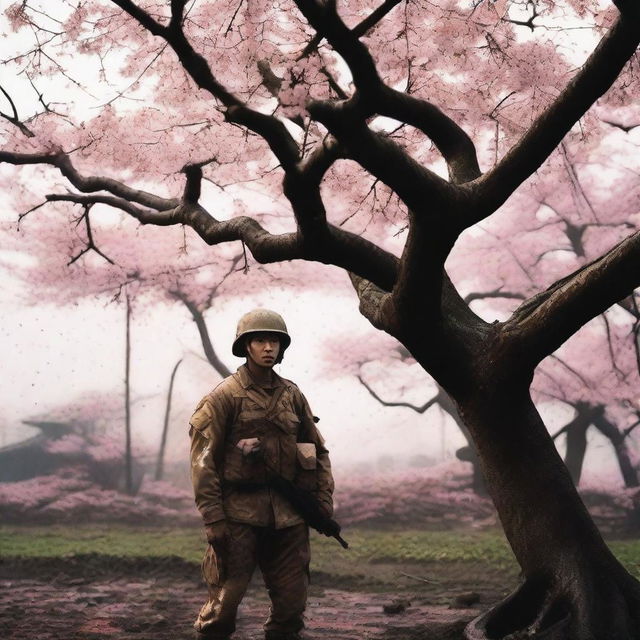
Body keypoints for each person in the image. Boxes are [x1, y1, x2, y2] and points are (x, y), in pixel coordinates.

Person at [189, 308, 334, 640]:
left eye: (274, 341)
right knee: (222, 610)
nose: (268, 347)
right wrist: (213, 518)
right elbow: (203, 461)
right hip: (239, 516)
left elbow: (317, 450)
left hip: (290, 516)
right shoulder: (224, 396)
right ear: (246, 346)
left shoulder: (292, 395)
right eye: (260, 340)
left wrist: (322, 500)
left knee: (291, 609)